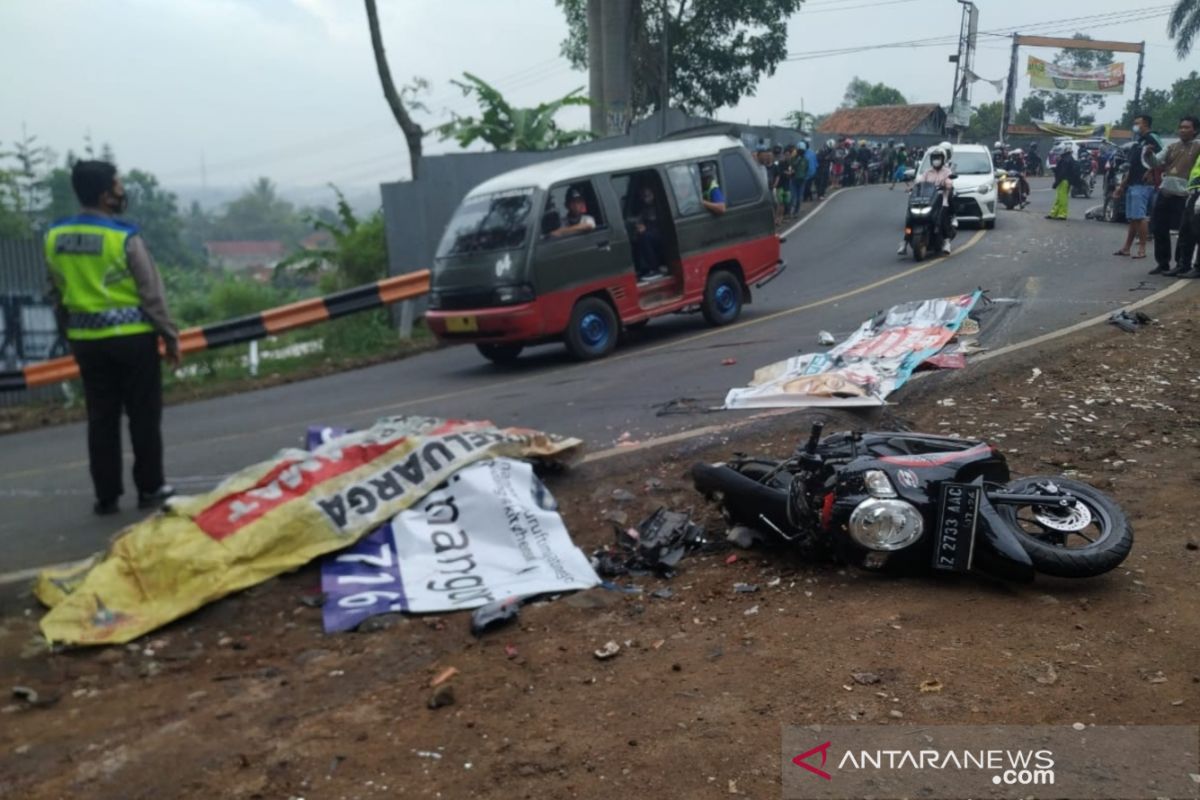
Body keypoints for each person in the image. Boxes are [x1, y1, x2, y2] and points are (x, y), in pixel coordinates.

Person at [44, 160, 180, 515]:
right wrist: (170, 336)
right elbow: (152, 293)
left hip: (87, 342)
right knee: (143, 416)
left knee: (101, 418)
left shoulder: (54, 237)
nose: (122, 192)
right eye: (118, 186)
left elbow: (56, 291)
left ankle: (106, 496)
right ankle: (151, 487)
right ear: (106, 195)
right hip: (133, 340)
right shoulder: (123, 236)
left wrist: (69, 334)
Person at [1146, 116, 1200, 276]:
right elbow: (1156, 163)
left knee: (1186, 231)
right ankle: (1163, 263)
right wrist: (1148, 155)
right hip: (1165, 192)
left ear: (1195, 130)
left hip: (1185, 194)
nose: (1182, 130)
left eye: (1187, 127)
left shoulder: (1197, 147)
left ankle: (1181, 263)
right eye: (1181, 127)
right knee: (1158, 228)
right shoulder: (1171, 147)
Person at [1112, 114, 1163, 258]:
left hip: (1143, 184)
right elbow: (1132, 167)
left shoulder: (1152, 138)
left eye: (1137, 123)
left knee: (1140, 217)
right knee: (1133, 218)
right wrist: (1122, 186)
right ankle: (1127, 247)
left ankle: (1142, 249)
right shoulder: (1138, 142)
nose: (1135, 126)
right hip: (1133, 183)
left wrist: (1151, 171)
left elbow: (1162, 159)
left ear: (1145, 124)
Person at [897, 145, 955, 256]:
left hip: (941, 199)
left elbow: (949, 182)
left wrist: (947, 184)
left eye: (938, 158)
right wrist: (912, 187)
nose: (936, 160)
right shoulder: (927, 172)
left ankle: (946, 241)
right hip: (927, 200)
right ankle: (904, 241)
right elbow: (919, 182)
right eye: (934, 158)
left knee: (942, 217)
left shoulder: (947, 172)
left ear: (943, 159)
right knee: (910, 216)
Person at [630, 183, 668, 281]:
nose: (645, 198)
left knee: (645, 236)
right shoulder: (644, 207)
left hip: (663, 233)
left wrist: (646, 228)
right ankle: (642, 268)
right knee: (635, 237)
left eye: (647, 195)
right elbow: (640, 218)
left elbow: (661, 222)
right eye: (643, 196)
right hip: (652, 231)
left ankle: (655, 269)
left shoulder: (659, 205)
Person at [1047, 147, 1076, 221]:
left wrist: (1056, 183)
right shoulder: (1069, 159)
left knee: (1062, 198)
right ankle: (1054, 213)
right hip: (1065, 181)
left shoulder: (1065, 160)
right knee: (1059, 198)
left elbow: (1062, 173)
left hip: (1063, 181)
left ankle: (1062, 214)